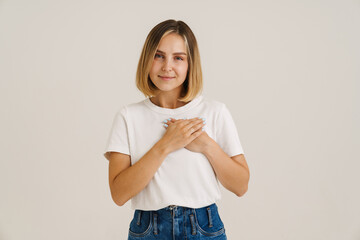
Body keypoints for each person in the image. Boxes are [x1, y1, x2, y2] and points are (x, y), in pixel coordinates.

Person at [103, 19, 250, 240]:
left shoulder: (215, 112)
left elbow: (241, 186)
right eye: (158, 55)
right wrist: (165, 145)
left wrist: (207, 145)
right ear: (146, 59)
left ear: (190, 64)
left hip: (204, 228)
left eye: (178, 58)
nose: (167, 66)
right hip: (148, 229)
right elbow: (119, 193)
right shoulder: (128, 117)